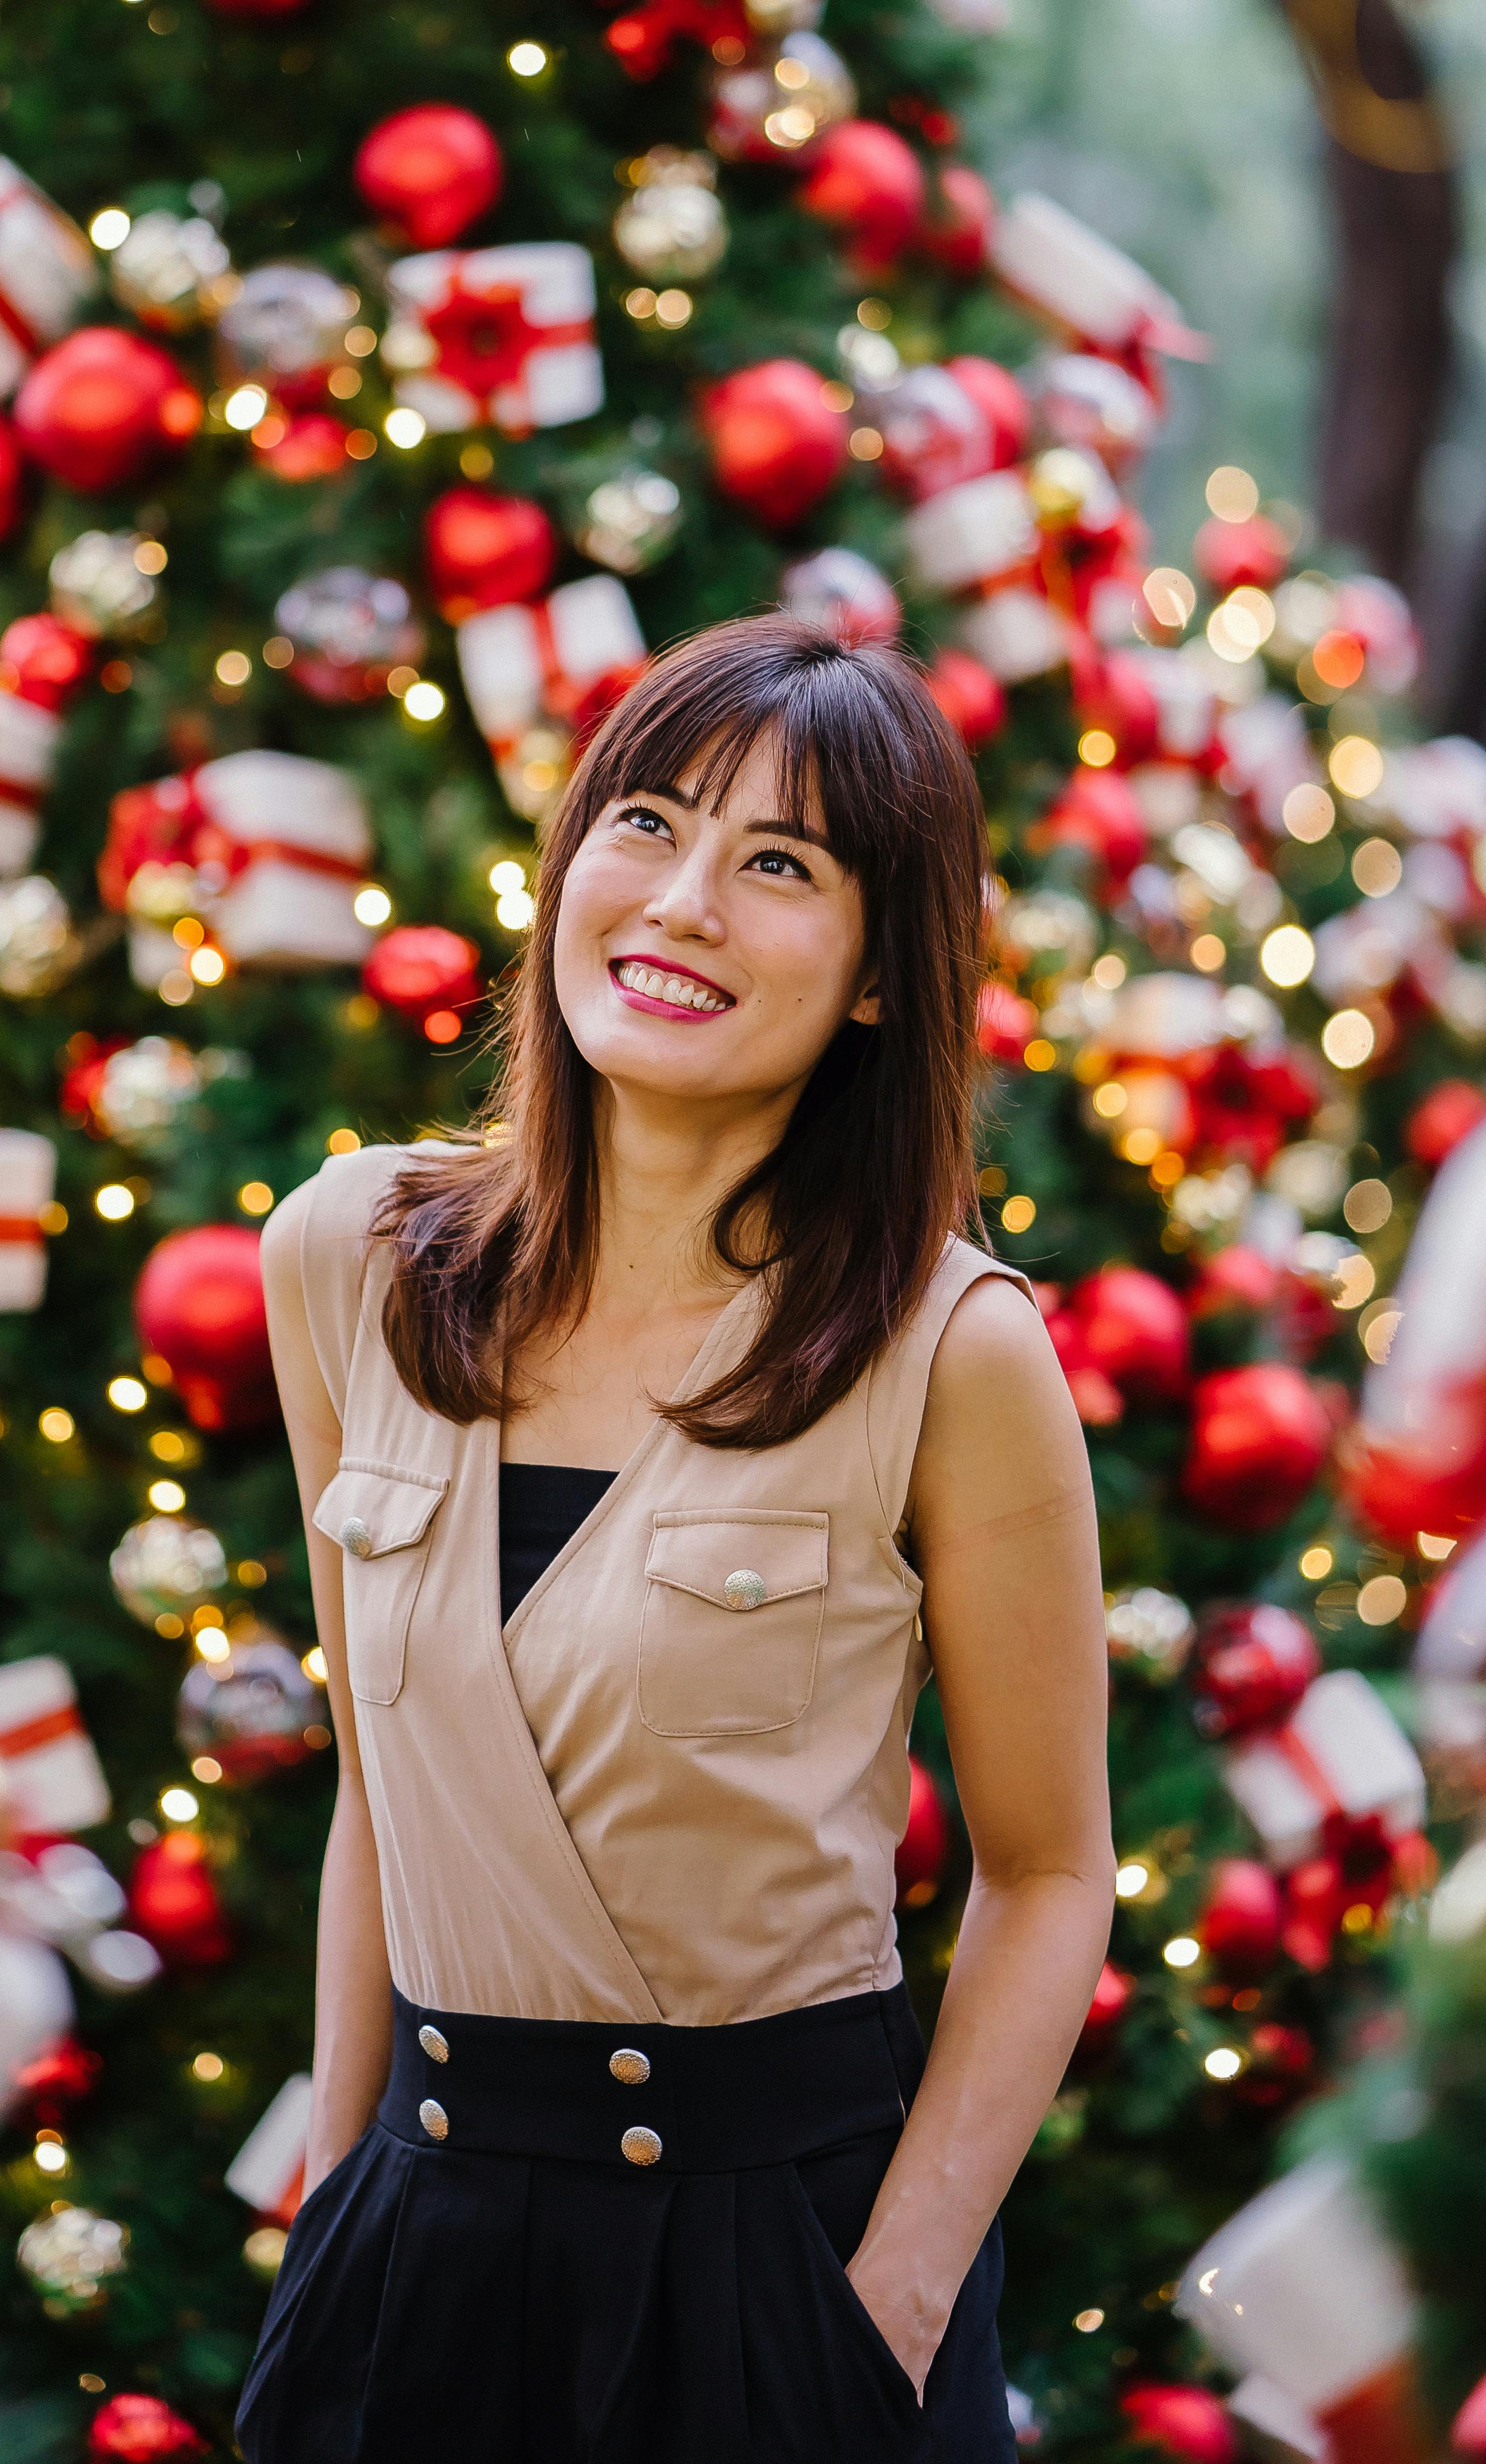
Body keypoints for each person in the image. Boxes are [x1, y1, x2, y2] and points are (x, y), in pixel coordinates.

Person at [239, 616, 1111, 2464]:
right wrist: (337, 2197)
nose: (685, 902)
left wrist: (889, 2305)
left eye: (781, 864)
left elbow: (1046, 1876)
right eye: (647, 822)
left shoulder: (952, 1350)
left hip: (779, 2259)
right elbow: (384, 1788)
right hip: (425, 2246)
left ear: (882, 976)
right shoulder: (346, 1260)